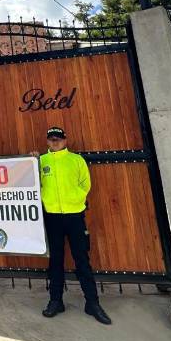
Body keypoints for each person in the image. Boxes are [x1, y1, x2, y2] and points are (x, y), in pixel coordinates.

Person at [30, 126, 112, 325]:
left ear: (65, 140)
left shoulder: (76, 160)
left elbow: (85, 184)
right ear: (47, 141)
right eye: (51, 139)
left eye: (58, 138)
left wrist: (76, 199)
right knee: (55, 261)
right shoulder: (41, 161)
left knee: (82, 259)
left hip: (75, 216)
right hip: (53, 217)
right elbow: (33, 183)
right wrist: (32, 161)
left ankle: (92, 303)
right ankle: (56, 301)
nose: (55, 141)